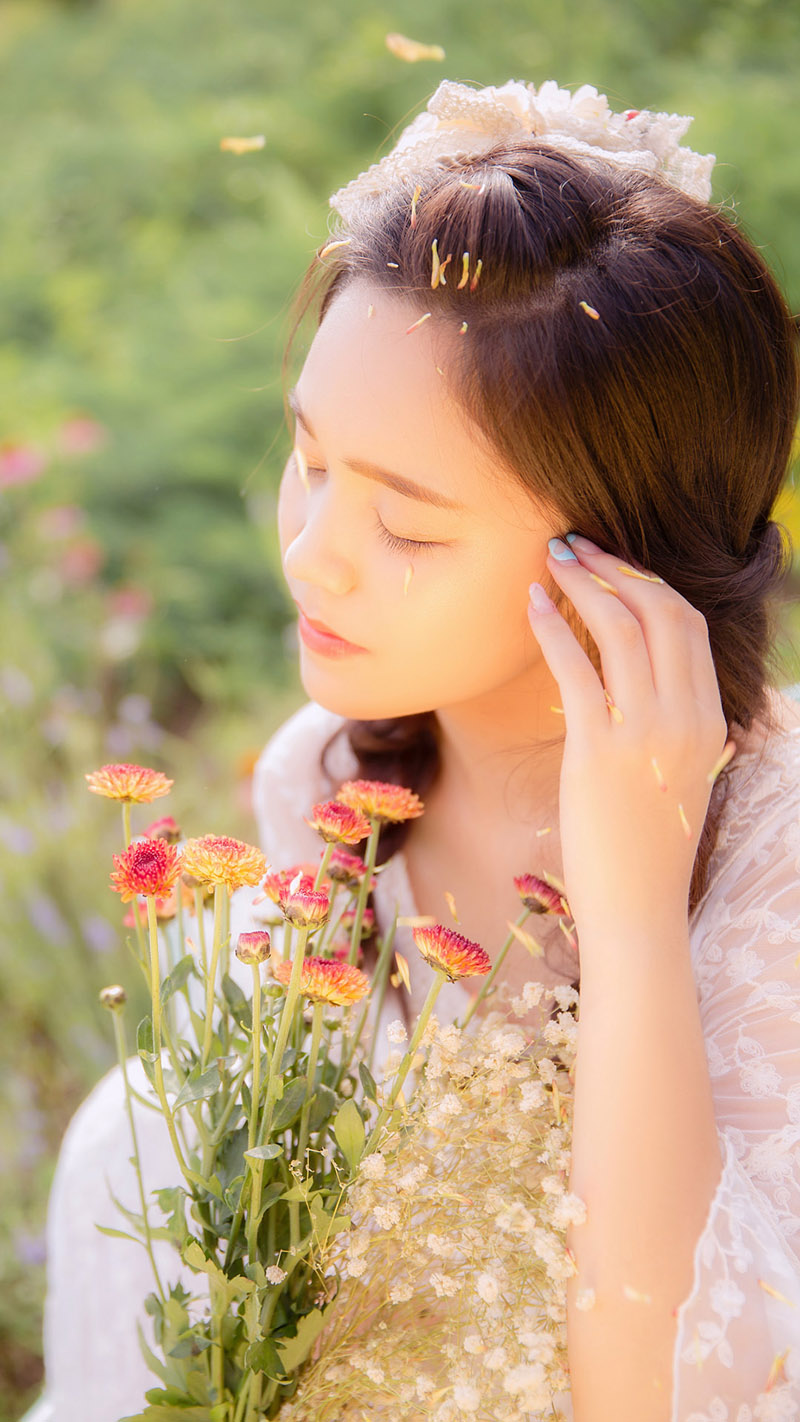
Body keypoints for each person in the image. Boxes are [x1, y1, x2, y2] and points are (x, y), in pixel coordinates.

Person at [37, 78, 800, 1421]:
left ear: (614, 563)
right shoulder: (328, 775)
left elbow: (658, 1393)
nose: (312, 551)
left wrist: (628, 904)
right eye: (311, 457)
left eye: (411, 525)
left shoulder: (772, 858)